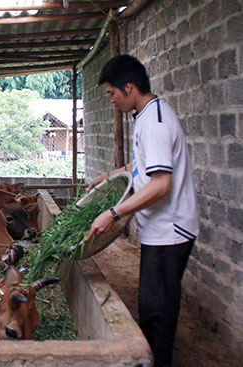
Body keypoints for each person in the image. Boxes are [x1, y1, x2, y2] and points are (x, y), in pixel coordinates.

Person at [86, 54, 199, 367]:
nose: (111, 100)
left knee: (158, 311)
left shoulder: (155, 123)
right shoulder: (147, 115)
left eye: (112, 93)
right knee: (151, 304)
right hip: (159, 230)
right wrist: (110, 176)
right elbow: (144, 165)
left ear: (129, 87)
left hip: (170, 231)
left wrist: (114, 212)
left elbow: (161, 184)